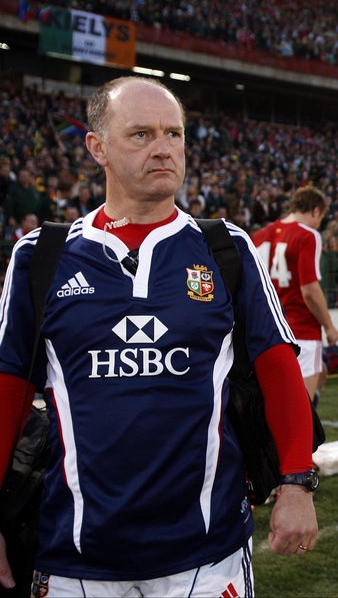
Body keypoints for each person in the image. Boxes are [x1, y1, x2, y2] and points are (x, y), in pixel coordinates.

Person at [0, 76, 318, 597]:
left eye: (174, 134)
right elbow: (9, 386)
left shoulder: (226, 249)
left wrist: (297, 482)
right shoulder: (41, 256)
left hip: (206, 554)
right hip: (74, 557)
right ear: (96, 147)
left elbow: (277, 365)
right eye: (142, 135)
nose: (164, 149)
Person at [251, 186, 338, 403]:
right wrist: (328, 325)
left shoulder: (260, 235)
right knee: (301, 410)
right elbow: (309, 290)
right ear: (316, 210)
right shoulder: (308, 235)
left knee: (268, 407)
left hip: (264, 331)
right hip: (299, 329)